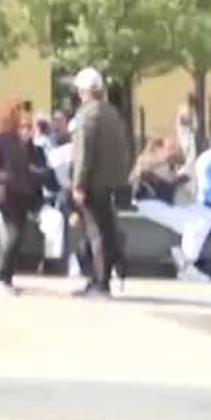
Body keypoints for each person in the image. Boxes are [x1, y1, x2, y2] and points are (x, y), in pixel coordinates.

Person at [70, 67, 131, 297]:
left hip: (93, 183)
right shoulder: (111, 113)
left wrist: (78, 184)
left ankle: (100, 282)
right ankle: (100, 278)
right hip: (110, 182)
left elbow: (83, 154)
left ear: (83, 91)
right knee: (105, 230)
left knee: (96, 233)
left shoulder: (87, 115)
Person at [0, 101, 37, 296]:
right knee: (13, 236)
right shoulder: (3, 138)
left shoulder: (25, 141)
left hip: (22, 193)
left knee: (18, 237)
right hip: (8, 193)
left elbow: (30, 164)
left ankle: (6, 278)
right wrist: (1, 176)